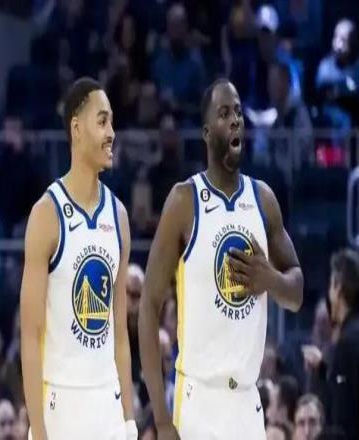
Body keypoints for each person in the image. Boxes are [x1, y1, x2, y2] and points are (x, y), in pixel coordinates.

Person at [139, 78, 303, 439]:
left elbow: (296, 291)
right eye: (224, 113)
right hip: (198, 400)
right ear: (206, 131)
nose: (235, 120)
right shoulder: (184, 201)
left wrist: (270, 280)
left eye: (239, 113)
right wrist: (161, 420)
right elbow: (149, 305)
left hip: (247, 402)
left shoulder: (263, 200)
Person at [20, 77, 136, 440]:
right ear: (76, 128)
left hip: (108, 406)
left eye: (112, 122)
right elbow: (29, 335)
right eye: (102, 121)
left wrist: (129, 421)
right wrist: (39, 431)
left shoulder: (118, 216)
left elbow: (120, 335)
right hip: (61, 408)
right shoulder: (46, 214)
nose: (111, 133)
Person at [306, 249, 359, 440]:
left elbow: (342, 418)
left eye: (331, 286)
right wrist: (323, 370)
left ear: (338, 287)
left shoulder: (347, 342)